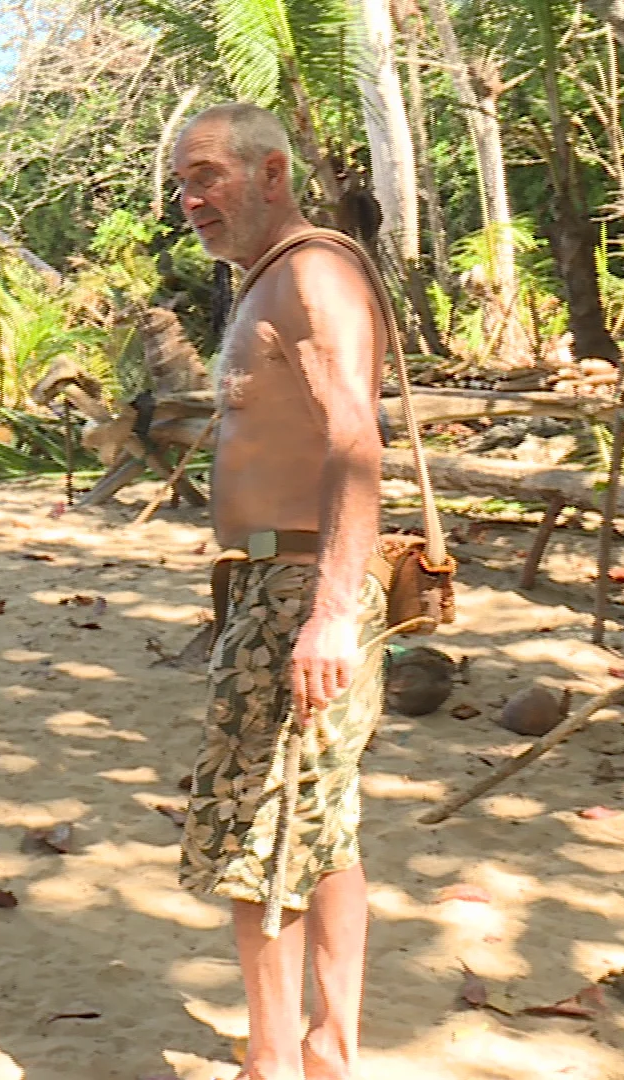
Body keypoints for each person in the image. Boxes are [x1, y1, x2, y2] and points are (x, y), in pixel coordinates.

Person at [170, 103, 389, 1080]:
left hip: (300, 588)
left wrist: (329, 611)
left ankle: (273, 1066)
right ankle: (325, 1055)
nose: (191, 197)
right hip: (275, 582)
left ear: (272, 174)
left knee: (265, 833)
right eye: (183, 180)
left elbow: (354, 440)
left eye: (209, 174)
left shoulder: (310, 272)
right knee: (322, 828)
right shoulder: (268, 283)